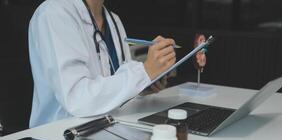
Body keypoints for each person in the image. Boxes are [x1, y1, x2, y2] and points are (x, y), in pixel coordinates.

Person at [28, 0, 177, 128]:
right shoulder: (54, 13)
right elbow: (77, 99)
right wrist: (144, 72)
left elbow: (113, 87)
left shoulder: (113, 20)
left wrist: (142, 87)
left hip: (107, 131)